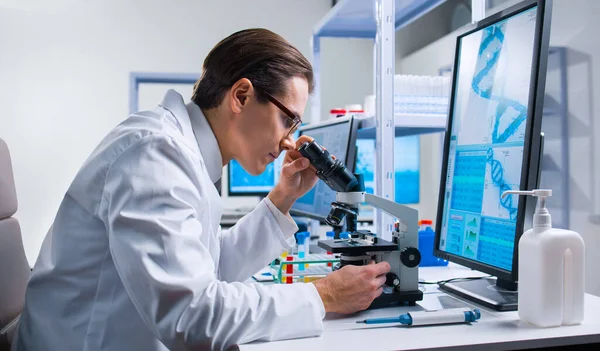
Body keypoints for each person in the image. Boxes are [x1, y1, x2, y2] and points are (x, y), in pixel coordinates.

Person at [13, 28, 390, 351]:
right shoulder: (154, 154)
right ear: (241, 96)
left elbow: (211, 270)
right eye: (287, 121)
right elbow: (192, 316)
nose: (289, 142)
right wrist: (323, 296)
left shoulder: (183, 153)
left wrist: (283, 198)